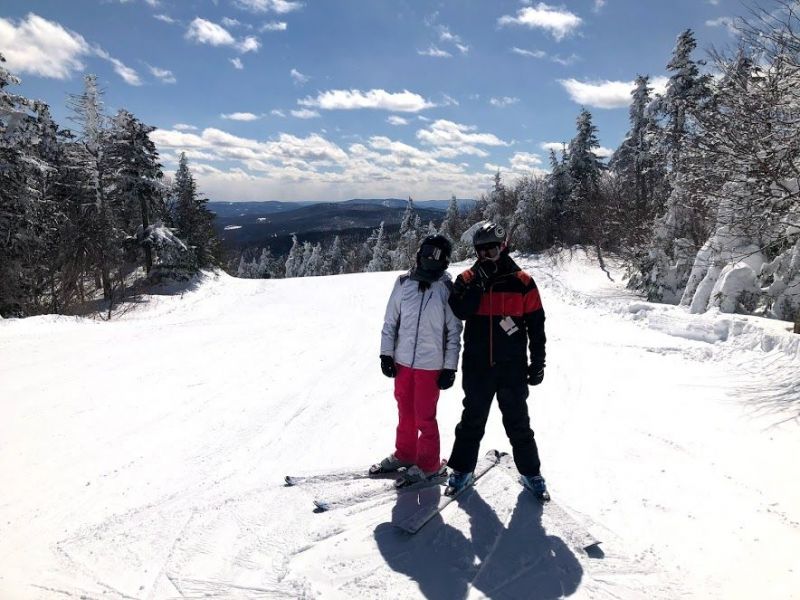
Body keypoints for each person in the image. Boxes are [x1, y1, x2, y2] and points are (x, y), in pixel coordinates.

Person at [444, 222, 549, 500]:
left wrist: (538, 361)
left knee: (518, 422)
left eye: (492, 248)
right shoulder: (466, 279)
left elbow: (536, 325)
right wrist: (479, 286)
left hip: (511, 367)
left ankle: (531, 473)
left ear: (502, 247)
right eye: (481, 250)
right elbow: (460, 311)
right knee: (472, 420)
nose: (487, 254)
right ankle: (462, 470)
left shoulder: (522, 281)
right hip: (478, 366)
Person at [372, 234, 463, 487]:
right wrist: (386, 354)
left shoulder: (445, 288)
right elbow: (390, 323)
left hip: (430, 365)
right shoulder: (403, 283)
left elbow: (454, 332)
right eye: (426, 253)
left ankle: (429, 464)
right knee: (405, 411)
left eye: (436, 255)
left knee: (424, 415)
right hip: (402, 363)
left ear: (444, 260)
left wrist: (449, 367)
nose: (429, 259)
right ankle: (406, 453)